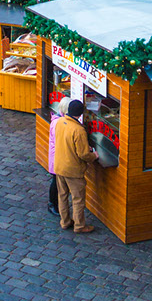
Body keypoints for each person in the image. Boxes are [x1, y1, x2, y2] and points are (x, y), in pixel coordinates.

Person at [53, 98, 96, 233]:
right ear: (81, 114)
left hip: (59, 165)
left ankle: (65, 221)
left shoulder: (59, 122)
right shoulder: (78, 130)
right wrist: (94, 156)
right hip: (73, 170)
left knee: (62, 195)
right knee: (78, 199)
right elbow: (83, 154)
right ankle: (79, 226)